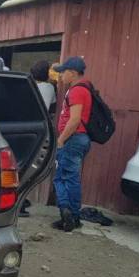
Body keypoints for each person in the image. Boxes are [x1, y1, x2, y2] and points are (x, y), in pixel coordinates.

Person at [51, 56, 92, 232]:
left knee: (60, 178)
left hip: (72, 139)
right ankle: (74, 217)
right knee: (72, 178)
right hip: (79, 138)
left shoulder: (76, 91)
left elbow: (74, 120)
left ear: (73, 73)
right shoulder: (85, 89)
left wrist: (61, 140)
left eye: (63, 73)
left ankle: (66, 213)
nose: (61, 76)